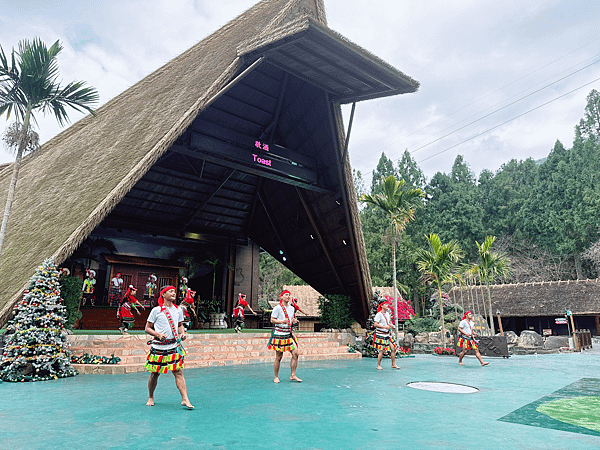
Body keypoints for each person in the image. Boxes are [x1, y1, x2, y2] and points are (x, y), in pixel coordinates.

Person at [144, 285, 194, 409]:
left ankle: (185, 399)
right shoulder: (156, 310)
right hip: (159, 347)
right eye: (170, 291)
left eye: (174, 291)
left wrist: (182, 333)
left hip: (173, 346)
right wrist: (157, 334)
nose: (173, 293)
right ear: (163, 294)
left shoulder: (178, 310)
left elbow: (179, 325)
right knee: (154, 373)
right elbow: (147, 328)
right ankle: (150, 396)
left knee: (178, 372)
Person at [268, 290, 302, 383]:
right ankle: (276, 376)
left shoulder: (291, 308)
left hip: (288, 334)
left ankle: (293, 375)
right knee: (279, 357)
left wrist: (293, 320)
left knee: (295, 353)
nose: (288, 296)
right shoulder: (277, 308)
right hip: (279, 334)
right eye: (286, 295)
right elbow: (272, 320)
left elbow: (290, 319)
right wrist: (282, 322)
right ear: (281, 297)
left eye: (289, 295)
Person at [373, 299, 400, 370]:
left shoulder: (387, 314)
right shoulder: (379, 314)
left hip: (387, 335)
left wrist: (391, 326)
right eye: (386, 304)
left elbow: (388, 322)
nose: (387, 305)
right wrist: (384, 327)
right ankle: (378, 365)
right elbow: (375, 324)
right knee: (382, 350)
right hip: (381, 335)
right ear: (382, 305)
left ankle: (393, 364)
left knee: (393, 348)